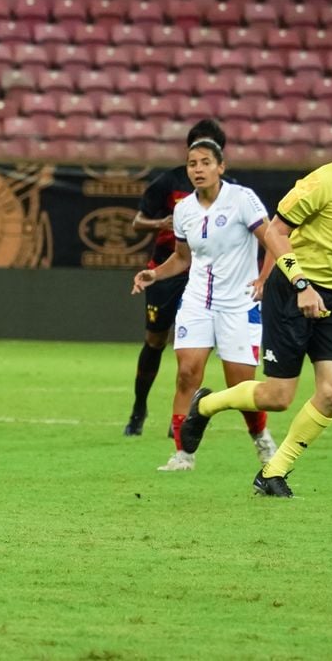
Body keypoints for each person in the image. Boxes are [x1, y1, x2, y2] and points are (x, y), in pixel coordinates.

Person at [179, 103, 332, 497]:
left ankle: (274, 472)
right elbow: (276, 230)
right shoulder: (323, 181)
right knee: (277, 397)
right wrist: (302, 283)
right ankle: (205, 405)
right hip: (292, 291)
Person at [131, 137, 277, 471]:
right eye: (192, 163)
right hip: (198, 301)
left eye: (205, 162)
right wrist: (155, 275)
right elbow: (182, 258)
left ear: (220, 167)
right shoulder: (183, 210)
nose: (198, 169)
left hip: (239, 303)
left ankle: (261, 438)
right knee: (186, 373)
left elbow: (272, 239)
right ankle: (183, 455)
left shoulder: (242, 200)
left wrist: (263, 279)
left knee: (241, 387)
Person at [124, 119, 227, 437]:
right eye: (196, 150)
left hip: (203, 275)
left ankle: (179, 418)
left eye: (210, 151)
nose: (201, 159)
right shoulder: (168, 183)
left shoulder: (230, 192)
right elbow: (137, 222)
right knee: (155, 341)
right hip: (167, 271)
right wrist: (162, 224)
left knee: (194, 347)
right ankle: (139, 408)